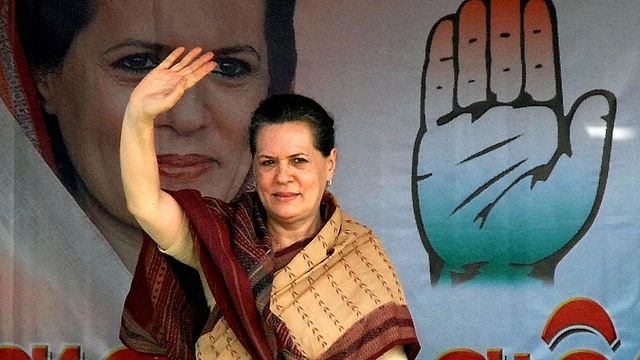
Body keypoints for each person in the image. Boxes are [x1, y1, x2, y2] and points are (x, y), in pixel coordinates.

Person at [1, 0, 295, 358]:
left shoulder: (324, 292)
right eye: (137, 63)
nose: (185, 117)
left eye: (228, 68)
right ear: (45, 77)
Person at [119, 47, 421, 359]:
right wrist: (138, 115)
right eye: (268, 162)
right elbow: (146, 205)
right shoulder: (223, 235)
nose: (282, 176)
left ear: (329, 164)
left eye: (299, 160)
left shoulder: (359, 253)